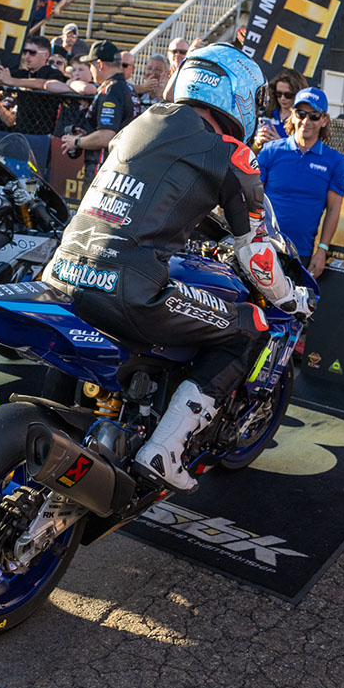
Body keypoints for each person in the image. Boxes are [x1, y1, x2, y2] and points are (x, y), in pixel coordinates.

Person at [43, 43, 313, 493]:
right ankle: (165, 449)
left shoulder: (139, 124)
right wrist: (289, 298)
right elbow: (256, 254)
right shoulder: (230, 151)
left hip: (61, 271)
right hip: (128, 288)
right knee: (252, 327)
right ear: (239, 96)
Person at [257, 87, 344, 277]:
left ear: (324, 120)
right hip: (262, 247)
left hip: (300, 254)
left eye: (314, 116)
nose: (306, 121)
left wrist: (322, 250)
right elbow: (253, 198)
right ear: (293, 115)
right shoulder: (270, 151)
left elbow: (334, 209)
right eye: (301, 114)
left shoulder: (335, 161)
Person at [59, 41, 135, 171]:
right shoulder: (126, 88)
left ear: (100, 64)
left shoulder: (111, 90)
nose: (90, 69)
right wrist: (88, 134)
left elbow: (106, 136)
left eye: (91, 65)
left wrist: (76, 142)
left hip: (105, 166)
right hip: (121, 164)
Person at [0, 34, 69, 133]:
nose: (27, 56)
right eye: (25, 52)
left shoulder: (52, 72)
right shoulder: (24, 73)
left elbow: (45, 84)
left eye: (32, 53)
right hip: (20, 130)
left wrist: (12, 81)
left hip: (43, 133)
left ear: (45, 55)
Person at [254, 68, 308, 144]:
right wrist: (257, 143)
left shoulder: (305, 120)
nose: (282, 98)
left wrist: (280, 143)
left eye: (288, 95)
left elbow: (305, 150)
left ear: (298, 94)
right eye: (278, 94)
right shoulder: (265, 115)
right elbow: (251, 149)